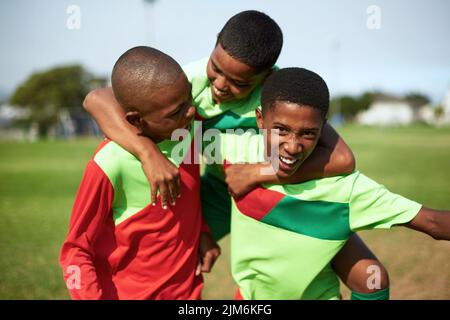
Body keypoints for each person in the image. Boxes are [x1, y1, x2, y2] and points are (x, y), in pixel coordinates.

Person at [82, 11, 390, 299]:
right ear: (215, 41)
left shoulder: (280, 93)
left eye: (238, 83)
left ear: (266, 77)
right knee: (176, 262)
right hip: (217, 194)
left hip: (278, 194)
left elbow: (343, 160)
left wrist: (258, 172)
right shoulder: (189, 83)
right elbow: (97, 98)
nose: (219, 85)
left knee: (370, 277)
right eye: (216, 69)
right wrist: (147, 152)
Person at [215, 67, 450, 299]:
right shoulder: (237, 152)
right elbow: (182, 140)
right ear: (260, 119)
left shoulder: (347, 188)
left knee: (374, 279)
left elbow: (433, 222)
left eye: (308, 133)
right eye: (281, 130)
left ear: (323, 128)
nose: (293, 146)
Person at [59, 46, 220, 300]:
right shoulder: (110, 162)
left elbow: (185, 200)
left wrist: (203, 232)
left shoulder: (187, 130)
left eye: (188, 98)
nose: (190, 111)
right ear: (135, 120)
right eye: (176, 111)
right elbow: (75, 251)